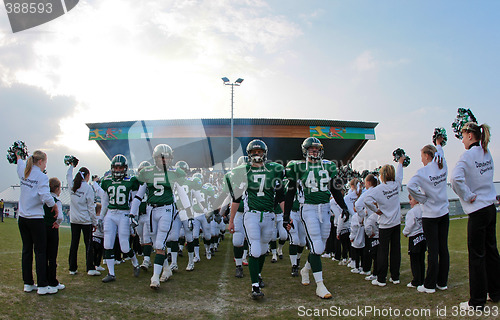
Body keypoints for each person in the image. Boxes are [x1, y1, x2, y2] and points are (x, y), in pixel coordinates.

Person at [284, 137, 350, 299]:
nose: (314, 151)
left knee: (318, 247)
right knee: (317, 246)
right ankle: (320, 285)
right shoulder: (297, 166)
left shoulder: (328, 165)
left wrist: (344, 207)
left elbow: (335, 189)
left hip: (325, 208)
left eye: (316, 149)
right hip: (308, 209)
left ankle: (305, 269)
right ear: (305, 151)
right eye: (311, 149)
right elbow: (290, 192)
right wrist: (286, 216)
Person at [227, 139, 285, 299]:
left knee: (264, 249)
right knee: (256, 249)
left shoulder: (274, 170)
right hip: (251, 214)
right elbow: (236, 199)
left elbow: (281, 196)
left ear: (264, 153)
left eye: (259, 152)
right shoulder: (243, 171)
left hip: (268, 215)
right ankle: (254, 287)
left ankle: (257, 274)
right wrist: (231, 220)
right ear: (249, 154)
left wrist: (286, 217)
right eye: (254, 152)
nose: (257, 154)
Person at [450, 122, 500, 310]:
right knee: (492, 252)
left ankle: (477, 302)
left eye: (462, 135)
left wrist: (468, 195)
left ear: (470, 135)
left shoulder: (468, 155)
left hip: (478, 210)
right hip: (490, 208)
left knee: (477, 256)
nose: (462, 139)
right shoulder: (487, 153)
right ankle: (495, 292)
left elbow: (455, 179)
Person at [130, 144, 192, 289]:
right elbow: (139, 196)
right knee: (156, 243)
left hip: (166, 209)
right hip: (151, 210)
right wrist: (132, 213)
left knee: (159, 243)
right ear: (155, 158)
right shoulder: (147, 172)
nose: (163, 160)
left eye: (166, 157)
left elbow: (182, 194)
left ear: (170, 158)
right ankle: (167, 269)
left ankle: (155, 278)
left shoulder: (175, 172)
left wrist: (189, 214)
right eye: (160, 157)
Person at [407, 137, 449, 294]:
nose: (421, 160)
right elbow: (441, 152)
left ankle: (430, 285)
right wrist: (438, 143)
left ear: (426, 156)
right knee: (443, 248)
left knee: (433, 250)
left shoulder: (422, 172)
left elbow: (410, 186)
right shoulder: (442, 163)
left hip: (430, 215)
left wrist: (421, 198)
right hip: (444, 212)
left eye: (422, 157)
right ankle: (442, 282)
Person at [16, 150, 59, 295]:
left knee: (27, 250)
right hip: (35, 219)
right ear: (40, 162)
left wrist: (19, 156)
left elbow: (19, 163)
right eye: (45, 162)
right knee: (40, 252)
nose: (45, 165)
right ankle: (42, 285)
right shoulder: (41, 176)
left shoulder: (23, 170)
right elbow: (45, 195)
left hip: (22, 218)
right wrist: (53, 205)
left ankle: (28, 283)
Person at [99, 154, 141, 282]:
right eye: (116, 168)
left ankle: (135, 262)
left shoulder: (131, 181)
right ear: (112, 168)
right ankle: (111, 273)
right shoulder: (106, 181)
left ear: (125, 168)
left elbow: (135, 200)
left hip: (124, 213)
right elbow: (105, 201)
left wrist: (134, 216)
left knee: (124, 246)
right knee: (107, 244)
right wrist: (101, 217)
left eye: (120, 168)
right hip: (111, 214)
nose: (118, 170)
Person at [364, 157, 405, 287]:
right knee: (395, 250)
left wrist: (376, 210)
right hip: (396, 223)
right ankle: (395, 276)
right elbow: (400, 174)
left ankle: (381, 279)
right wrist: (400, 163)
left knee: (383, 251)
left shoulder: (379, 189)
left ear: (382, 176)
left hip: (385, 224)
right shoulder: (397, 184)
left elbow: (366, 200)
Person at [67, 164, 98, 276]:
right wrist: (95, 222)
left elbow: (68, 176)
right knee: (88, 244)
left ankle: (72, 268)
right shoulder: (88, 188)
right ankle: (90, 267)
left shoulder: (72, 185)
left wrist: (71, 166)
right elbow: (91, 207)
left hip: (74, 220)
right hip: (85, 221)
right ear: (87, 176)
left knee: (74, 243)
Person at [43, 177, 65, 291]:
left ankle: (43, 280)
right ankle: (53, 281)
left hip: (42, 229)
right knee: (52, 257)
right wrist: (57, 222)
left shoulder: (43, 200)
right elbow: (60, 216)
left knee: (43, 256)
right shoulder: (56, 202)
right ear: (56, 189)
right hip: (52, 229)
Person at [402, 194, 426, 289]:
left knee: (415, 260)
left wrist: (405, 232)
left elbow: (410, 225)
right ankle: (421, 279)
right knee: (421, 260)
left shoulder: (412, 212)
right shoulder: (423, 209)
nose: (409, 202)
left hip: (414, 237)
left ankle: (416, 281)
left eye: (411, 199)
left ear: (416, 200)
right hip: (422, 236)